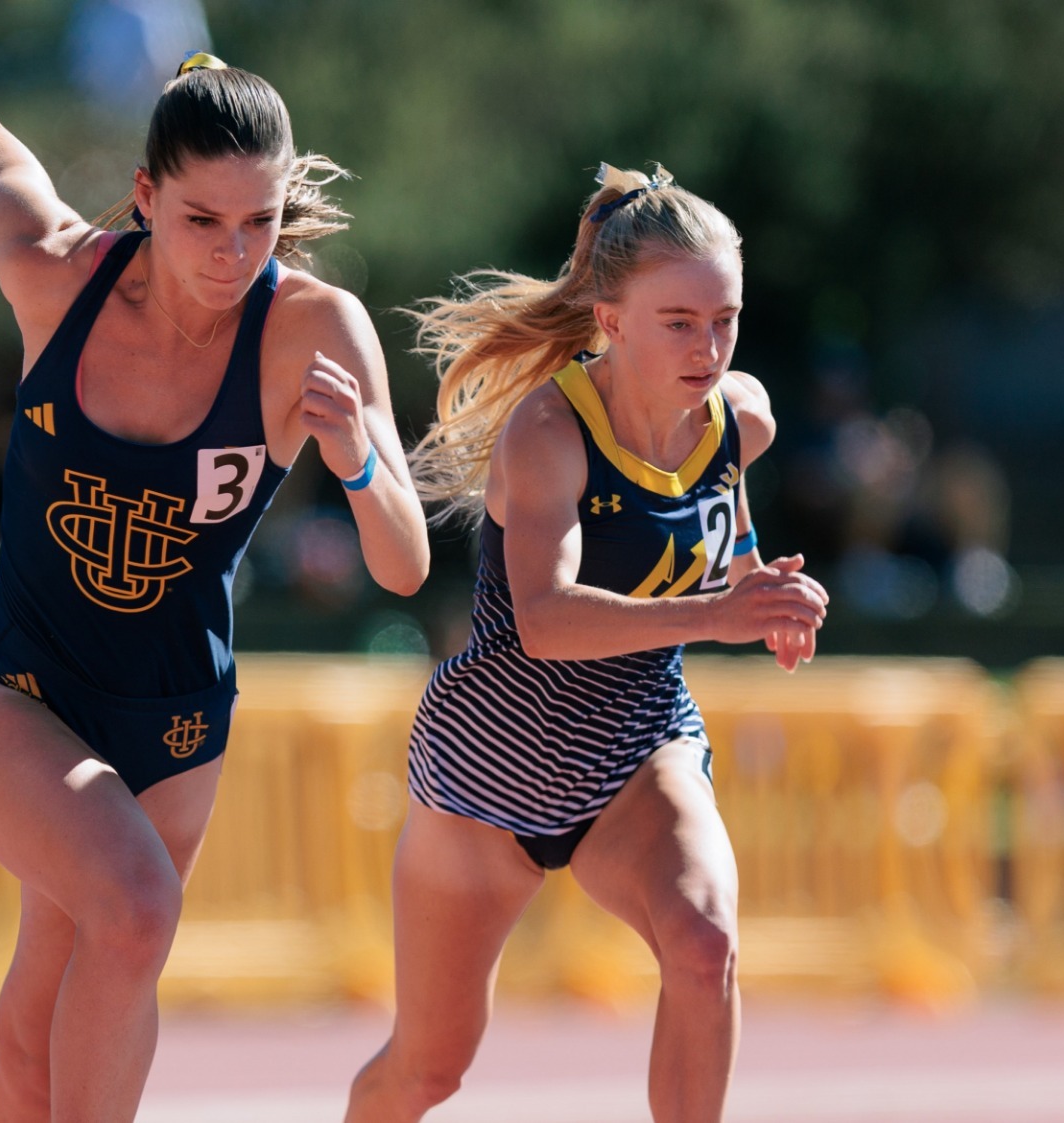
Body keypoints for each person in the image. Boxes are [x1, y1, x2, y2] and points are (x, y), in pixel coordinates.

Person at [0, 52, 430, 1123]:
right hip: (9, 686)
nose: (233, 253)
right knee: (137, 909)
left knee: (34, 1042)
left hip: (175, 722)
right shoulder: (59, 273)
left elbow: (403, 564)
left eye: (259, 221)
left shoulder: (314, 330)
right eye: (202, 221)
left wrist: (356, 465)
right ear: (145, 196)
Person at [344, 164, 829, 1123]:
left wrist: (760, 589)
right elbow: (547, 618)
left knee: (705, 945)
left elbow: (718, 519)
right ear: (610, 320)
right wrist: (715, 614)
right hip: (488, 773)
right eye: (678, 322)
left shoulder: (741, 418)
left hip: (636, 751)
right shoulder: (549, 431)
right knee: (428, 1069)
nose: (708, 347)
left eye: (725, 318)